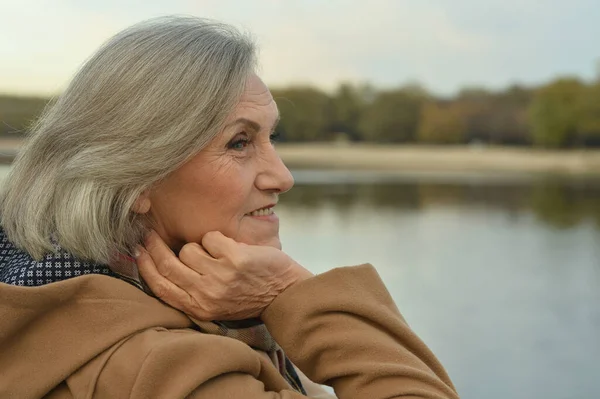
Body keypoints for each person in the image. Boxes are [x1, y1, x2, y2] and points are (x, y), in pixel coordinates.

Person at [0, 16, 460, 399]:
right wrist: (287, 291)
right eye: (240, 142)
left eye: (270, 137)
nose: (282, 176)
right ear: (134, 176)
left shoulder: (38, 288)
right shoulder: (164, 369)